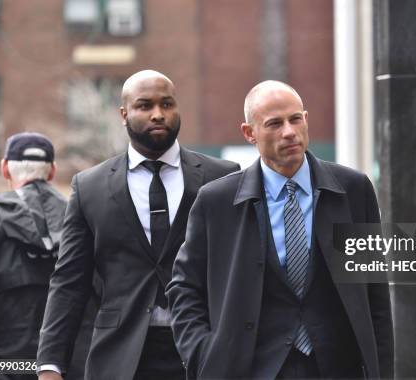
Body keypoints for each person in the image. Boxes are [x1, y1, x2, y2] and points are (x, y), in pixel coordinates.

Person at [167, 80, 394, 379]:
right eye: (274, 124)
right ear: (249, 133)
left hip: (337, 367)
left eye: (295, 119)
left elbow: (374, 293)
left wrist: (381, 371)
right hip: (252, 368)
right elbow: (184, 287)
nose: (289, 132)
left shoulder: (352, 189)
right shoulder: (216, 201)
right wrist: (204, 352)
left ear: (306, 120)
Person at [36, 70, 240, 380]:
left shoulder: (223, 176)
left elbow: (243, 267)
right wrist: (50, 364)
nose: (158, 114)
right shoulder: (90, 187)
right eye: (145, 106)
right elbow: (69, 282)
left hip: (204, 350)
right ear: (124, 114)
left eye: (167, 104)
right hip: (120, 356)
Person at [0, 132, 91, 380]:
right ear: (52, 171)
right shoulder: (85, 223)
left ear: (5, 169)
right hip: (72, 370)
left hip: (2, 371)